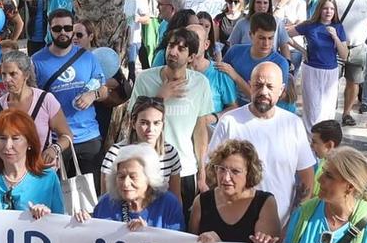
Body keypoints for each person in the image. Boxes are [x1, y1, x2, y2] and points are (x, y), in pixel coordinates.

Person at [207, 61, 314, 214]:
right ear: (250, 86)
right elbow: (211, 170)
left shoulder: (293, 124)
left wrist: (294, 221)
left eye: (270, 87)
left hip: (281, 225)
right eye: (258, 85)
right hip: (235, 222)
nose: (264, 91)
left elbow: (307, 176)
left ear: (281, 90)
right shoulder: (229, 121)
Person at [134, 29, 218, 206]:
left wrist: (202, 171)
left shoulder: (200, 83)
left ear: (191, 57)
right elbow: (132, 121)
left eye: (181, 49)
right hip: (149, 166)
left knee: (180, 224)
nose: (173, 52)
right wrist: (159, 98)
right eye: (171, 45)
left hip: (185, 169)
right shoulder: (145, 79)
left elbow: (200, 130)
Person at [31, 7, 103, 176]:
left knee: (89, 195)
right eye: (57, 29)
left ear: (72, 29)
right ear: (50, 30)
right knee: (59, 195)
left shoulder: (88, 57)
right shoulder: (36, 61)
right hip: (56, 141)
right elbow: (33, 99)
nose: (63, 32)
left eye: (67, 28)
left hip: (88, 136)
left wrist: (93, 94)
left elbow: (104, 88)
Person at [0, 110, 64, 219]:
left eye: (15, 138)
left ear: (29, 142)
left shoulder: (48, 178)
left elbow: (60, 223)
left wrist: (46, 215)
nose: (7, 146)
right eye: (2, 138)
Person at [89, 143, 187, 232]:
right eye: (121, 177)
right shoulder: (106, 203)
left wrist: (147, 234)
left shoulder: (168, 204)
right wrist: (84, 224)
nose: (126, 183)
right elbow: (94, 239)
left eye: (133, 177)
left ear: (149, 178)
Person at [101, 96, 183, 191]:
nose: (150, 129)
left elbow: (176, 198)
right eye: (144, 123)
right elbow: (106, 198)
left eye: (156, 123)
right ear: (133, 123)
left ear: (163, 124)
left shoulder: (170, 153)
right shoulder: (115, 153)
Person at [0, 49, 67, 154]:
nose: (7, 79)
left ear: (26, 75)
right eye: (4, 74)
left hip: (42, 167)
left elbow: (66, 135)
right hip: (10, 169)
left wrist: (54, 149)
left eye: (12, 74)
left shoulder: (45, 100)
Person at [293, 0, 347, 126]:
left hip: (331, 71)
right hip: (312, 70)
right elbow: (285, 34)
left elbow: (344, 54)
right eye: (325, 8)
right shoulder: (310, 26)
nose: (329, 12)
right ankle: (310, 141)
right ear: (319, 10)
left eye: (331, 9)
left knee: (327, 110)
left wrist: (335, 37)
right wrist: (302, 50)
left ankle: (325, 140)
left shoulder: (338, 27)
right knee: (313, 110)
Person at [222, 13, 294, 106]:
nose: (266, 43)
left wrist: (235, 77)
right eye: (262, 38)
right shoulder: (235, 51)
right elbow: (220, 78)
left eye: (270, 38)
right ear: (251, 35)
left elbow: (266, 101)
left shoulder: (280, 63)